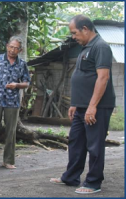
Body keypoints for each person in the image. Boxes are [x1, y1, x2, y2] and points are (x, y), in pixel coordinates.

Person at [50, 15, 116, 194]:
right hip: (81, 106)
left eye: (74, 32)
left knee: (94, 144)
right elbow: (82, 78)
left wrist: (92, 106)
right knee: (76, 142)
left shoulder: (100, 47)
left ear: (85, 29)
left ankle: (93, 182)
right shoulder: (85, 47)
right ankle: (71, 176)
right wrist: (75, 103)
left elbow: (103, 78)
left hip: (97, 107)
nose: (73, 36)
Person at [0, 36, 31, 169]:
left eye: (16, 48)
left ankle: (8, 160)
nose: (12, 50)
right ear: (6, 46)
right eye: (11, 47)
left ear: (20, 50)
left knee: (11, 131)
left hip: (12, 101)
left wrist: (17, 85)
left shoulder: (22, 64)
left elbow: (26, 83)